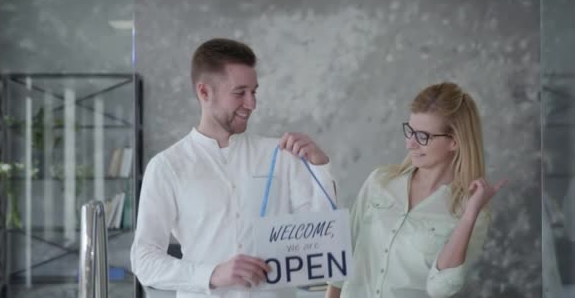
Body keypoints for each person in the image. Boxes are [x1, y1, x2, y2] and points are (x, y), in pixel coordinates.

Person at [131, 38, 337, 298]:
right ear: (204, 92)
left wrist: (320, 168)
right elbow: (144, 261)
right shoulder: (167, 167)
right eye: (240, 93)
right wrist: (213, 274)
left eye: (254, 92)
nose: (252, 104)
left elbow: (324, 238)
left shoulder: (282, 155)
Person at [326, 82, 507, 298]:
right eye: (410, 131)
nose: (410, 144)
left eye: (423, 136)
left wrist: (469, 215)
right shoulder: (380, 181)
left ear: (455, 142)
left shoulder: (472, 213)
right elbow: (343, 259)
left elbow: (440, 288)